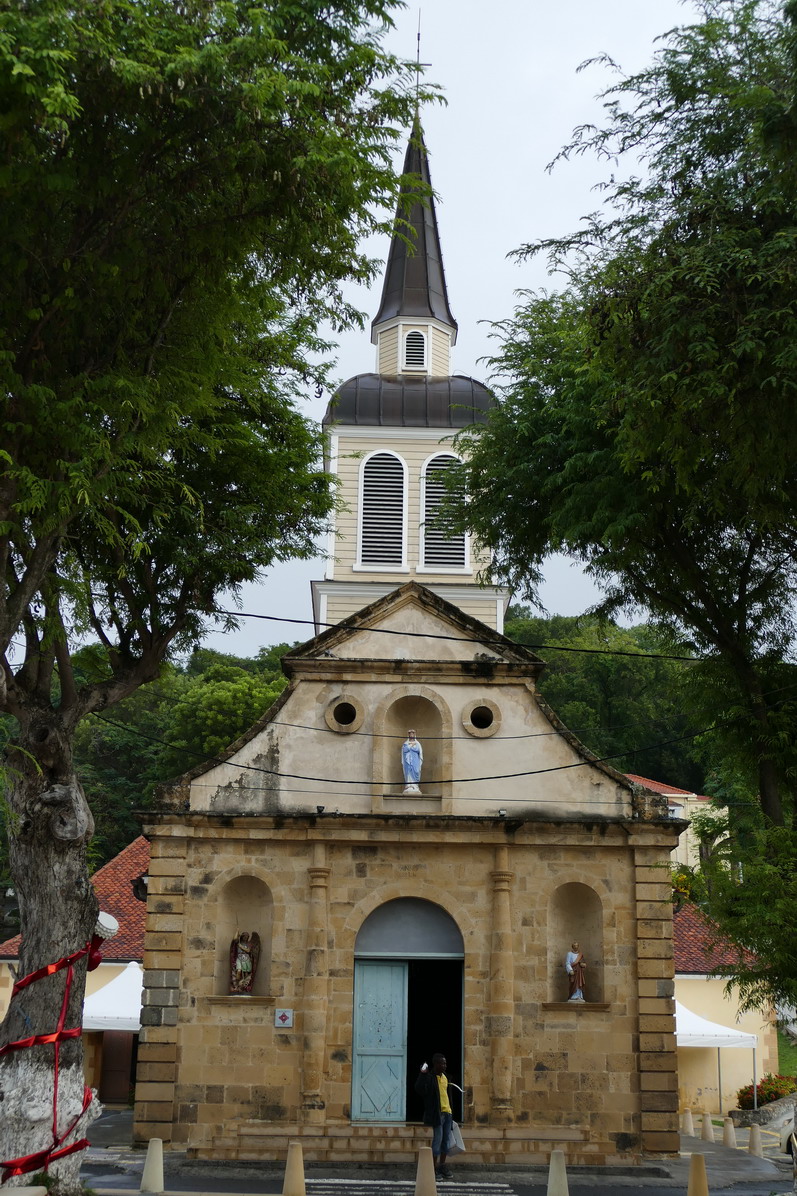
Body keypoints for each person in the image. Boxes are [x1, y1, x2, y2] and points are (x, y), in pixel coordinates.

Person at [415, 1053, 454, 1180]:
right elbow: (419, 1089)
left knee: (446, 1141)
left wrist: (451, 1111)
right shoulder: (430, 1078)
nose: (444, 1065)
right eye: (442, 1063)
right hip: (438, 1114)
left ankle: (442, 1165)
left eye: (445, 1063)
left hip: (447, 1113)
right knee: (437, 1140)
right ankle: (433, 1168)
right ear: (436, 1064)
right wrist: (422, 1073)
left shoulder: (446, 1077)